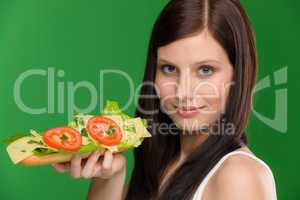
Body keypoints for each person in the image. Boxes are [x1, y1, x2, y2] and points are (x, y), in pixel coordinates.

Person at [52, 0, 278, 199]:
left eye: (206, 70)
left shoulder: (239, 176)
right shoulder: (165, 165)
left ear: (239, 74)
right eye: (169, 68)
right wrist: (110, 177)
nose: (183, 93)